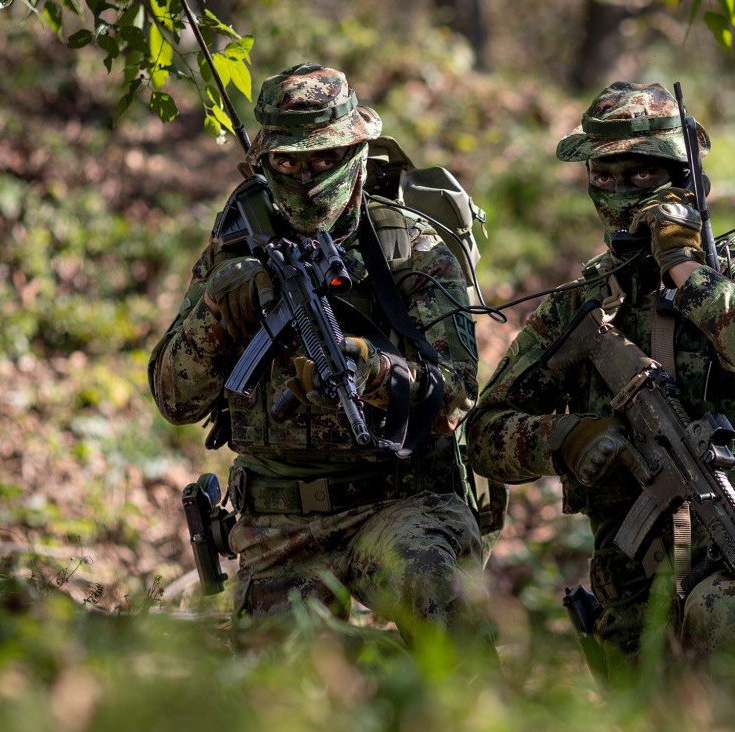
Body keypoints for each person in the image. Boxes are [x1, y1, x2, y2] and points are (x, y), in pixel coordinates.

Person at [467, 82, 735, 670]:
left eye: (642, 176)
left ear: (686, 182)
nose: (622, 192)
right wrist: (562, 439)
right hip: (637, 573)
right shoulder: (581, 305)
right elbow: (485, 434)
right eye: (606, 175)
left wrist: (686, 269)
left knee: (731, 613)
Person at [149, 63, 493, 649]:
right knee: (285, 694)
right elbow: (175, 401)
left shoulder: (412, 245)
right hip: (282, 520)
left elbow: (458, 392)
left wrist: (375, 370)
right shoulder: (235, 248)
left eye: (322, 161)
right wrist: (216, 310)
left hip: (400, 502)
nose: (306, 178)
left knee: (444, 599)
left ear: (358, 153)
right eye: (287, 163)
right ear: (264, 161)